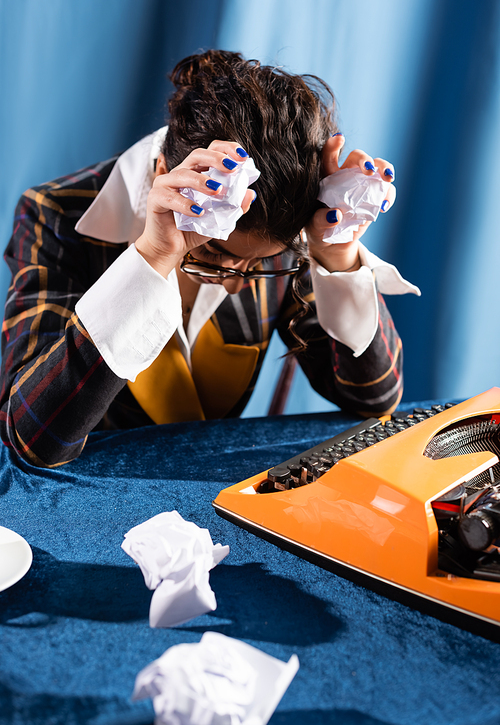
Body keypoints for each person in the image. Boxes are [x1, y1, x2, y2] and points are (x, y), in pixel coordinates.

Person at [0, 50, 418, 468]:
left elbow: (373, 399)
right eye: (215, 251)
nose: (239, 283)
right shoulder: (56, 214)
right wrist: (153, 256)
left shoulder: (284, 221)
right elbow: (34, 441)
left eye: (261, 264)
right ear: (163, 169)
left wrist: (337, 255)